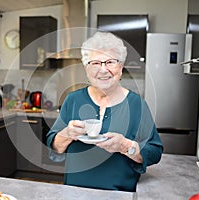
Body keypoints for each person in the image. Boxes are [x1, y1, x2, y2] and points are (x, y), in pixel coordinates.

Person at [46, 31, 163, 192]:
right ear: (86, 69)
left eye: (110, 62)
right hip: (74, 193)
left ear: (121, 68)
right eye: (95, 63)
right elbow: (55, 146)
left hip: (119, 194)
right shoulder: (73, 100)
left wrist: (124, 145)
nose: (103, 70)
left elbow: (155, 152)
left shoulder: (137, 105)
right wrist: (68, 133)